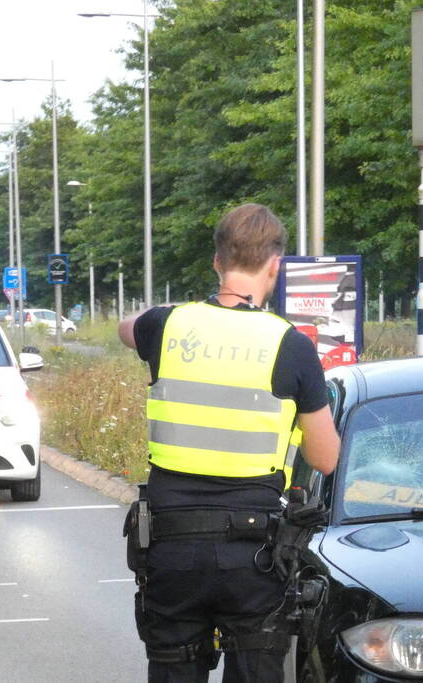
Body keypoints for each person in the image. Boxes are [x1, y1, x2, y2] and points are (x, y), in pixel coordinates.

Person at [119, 203, 340, 683]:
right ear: (275, 266)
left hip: (171, 546)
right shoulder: (291, 344)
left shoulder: (165, 325)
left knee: (173, 666)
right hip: (252, 553)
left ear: (216, 260)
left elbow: (126, 328)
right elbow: (325, 458)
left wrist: (170, 317)